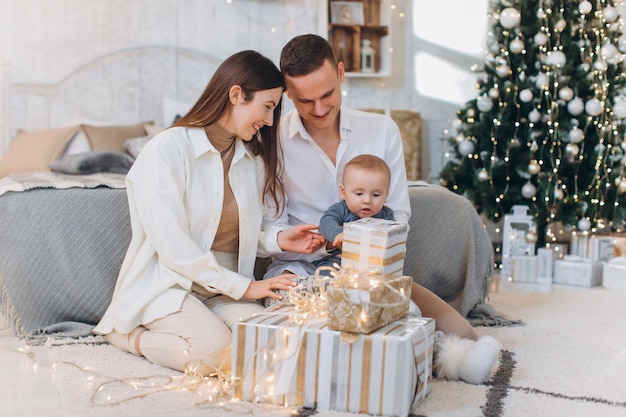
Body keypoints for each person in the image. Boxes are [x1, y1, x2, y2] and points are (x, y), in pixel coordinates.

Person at [264, 34, 501, 384]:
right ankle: (426, 360)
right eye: (304, 100)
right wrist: (293, 239)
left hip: (371, 267)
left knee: (457, 330)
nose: (318, 109)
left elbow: (399, 215)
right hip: (303, 273)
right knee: (349, 322)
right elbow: (269, 227)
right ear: (287, 93)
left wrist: (363, 250)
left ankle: (446, 355)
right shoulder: (273, 140)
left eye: (327, 94)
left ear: (341, 73)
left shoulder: (381, 130)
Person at [94, 50, 325, 377]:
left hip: (222, 288)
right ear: (236, 95)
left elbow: (234, 233)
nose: (270, 121)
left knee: (275, 343)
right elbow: (174, 246)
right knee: (221, 353)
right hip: (172, 283)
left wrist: (279, 239)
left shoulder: (251, 161)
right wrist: (246, 289)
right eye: (268, 107)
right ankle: (128, 336)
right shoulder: (168, 149)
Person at [316, 154, 394, 269]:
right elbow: (326, 222)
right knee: (327, 276)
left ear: (386, 195)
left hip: (373, 264)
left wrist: (394, 250)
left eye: (376, 195)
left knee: (391, 280)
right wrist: (338, 234)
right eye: (359, 194)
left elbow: (394, 235)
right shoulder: (341, 209)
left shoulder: (386, 214)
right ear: (343, 192)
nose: (367, 200)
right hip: (338, 260)